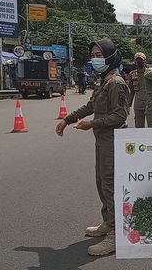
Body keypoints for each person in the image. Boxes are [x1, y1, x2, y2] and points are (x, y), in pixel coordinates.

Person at [55, 39, 130, 256]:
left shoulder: (116, 82)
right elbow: (91, 106)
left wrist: (92, 124)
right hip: (102, 140)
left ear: (109, 56)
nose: (95, 58)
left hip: (113, 140)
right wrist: (67, 120)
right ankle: (108, 222)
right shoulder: (103, 81)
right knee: (101, 182)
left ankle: (116, 235)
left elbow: (120, 115)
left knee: (110, 185)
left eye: (99, 54)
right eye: (93, 54)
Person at [127, 52, 148, 128]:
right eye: (137, 61)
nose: (139, 63)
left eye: (141, 61)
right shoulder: (132, 75)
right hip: (138, 105)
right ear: (135, 62)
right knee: (139, 127)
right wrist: (128, 105)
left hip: (150, 104)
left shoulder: (150, 73)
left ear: (145, 61)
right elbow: (131, 91)